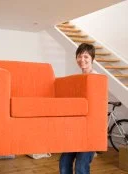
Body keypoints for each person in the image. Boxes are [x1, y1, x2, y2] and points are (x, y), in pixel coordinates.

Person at [59, 43, 96, 174]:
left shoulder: (97, 79)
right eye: (79, 56)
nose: (82, 60)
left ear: (92, 58)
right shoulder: (76, 79)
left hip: (90, 129)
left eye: (86, 56)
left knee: (81, 165)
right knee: (64, 162)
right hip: (75, 128)